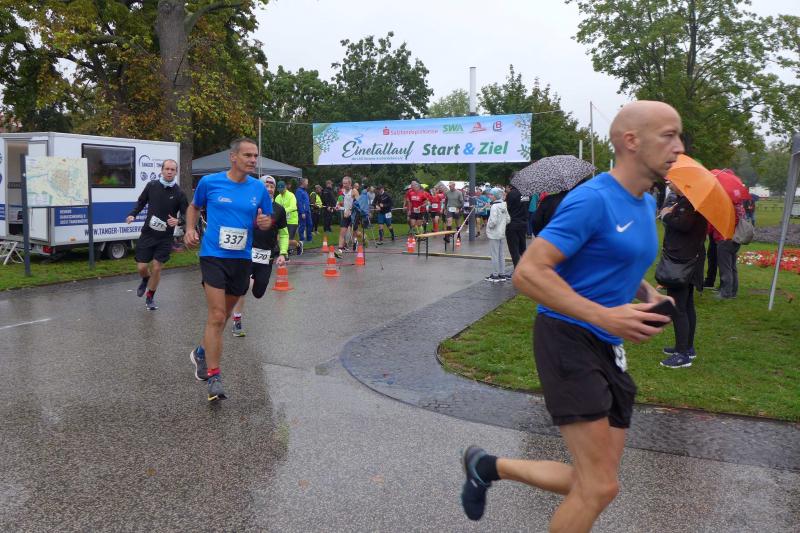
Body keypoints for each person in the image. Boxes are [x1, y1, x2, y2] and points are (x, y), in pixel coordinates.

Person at [459, 101, 680, 530]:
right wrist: (605, 316)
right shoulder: (592, 199)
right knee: (597, 487)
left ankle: (486, 467)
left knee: (599, 484)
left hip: (608, 345)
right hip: (568, 339)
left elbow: (612, 258)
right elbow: (528, 273)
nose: (679, 147)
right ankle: (486, 467)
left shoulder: (642, 203)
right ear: (631, 141)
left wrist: (649, 292)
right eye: (668, 135)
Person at [184, 137, 273, 402]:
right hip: (213, 255)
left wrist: (264, 223)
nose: (253, 160)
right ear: (233, 157)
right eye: (248, 155)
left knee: (223, 317)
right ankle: (214, 377)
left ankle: (201, 352)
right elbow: (194, 206)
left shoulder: (258, 188)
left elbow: (266, 219)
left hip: (241, 258)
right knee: (217, 314)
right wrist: (189, 229)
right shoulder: (210, 182)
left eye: (255, 156)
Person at [657, 180, 707, 368]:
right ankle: (686, 347)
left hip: (682, 261)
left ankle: (682, 354)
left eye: (673, 181)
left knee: (678, 307)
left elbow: (684, 225)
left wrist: (666, 215)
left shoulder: (689, 203)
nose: (669, 183)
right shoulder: (687, 201)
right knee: (686, 305)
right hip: (688, 258)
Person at [230, 175, 288, 337]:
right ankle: (237, 321)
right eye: (266, 185)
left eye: (272, 186)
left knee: (258, 292)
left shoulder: (279, 209)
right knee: (242, 287)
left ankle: (249, 281)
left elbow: (283, 234)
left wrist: (283, 253)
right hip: (247, 253)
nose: (269, 188)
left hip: (266, 255)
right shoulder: (250, 205)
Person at [126, 159, 188, 310]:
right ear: (162, 170)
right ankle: (145, 278)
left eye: (172, 169)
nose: (169, 172)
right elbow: (141, 202)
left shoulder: (179, 193)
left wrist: (179, 221)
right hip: (148, 233)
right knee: (142, 267)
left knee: (157, 267)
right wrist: (133, 214)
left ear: (176, 172)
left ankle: (150, 297)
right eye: (167, 169)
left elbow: (186, 214)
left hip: (165, 237)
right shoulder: (152, 186)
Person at [715, 202, 746, 299]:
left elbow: (724, 222)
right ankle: (733, 291)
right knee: (732, 267)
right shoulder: (739, 206)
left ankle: (726, 293)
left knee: (725, 268)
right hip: (735, 239)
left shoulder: (728, 207)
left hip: (725, 238)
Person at [485, 188, 510, 282]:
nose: (490, 196)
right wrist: (502, 225)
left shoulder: (494, 207)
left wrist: (489, 226)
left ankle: (495, 275)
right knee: (501, 254)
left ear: (496, 196)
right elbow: (508, 219)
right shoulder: (504, 205)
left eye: (492, 195)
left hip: (494, 233)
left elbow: (493, 221)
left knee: (494, 254)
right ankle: (502, 273)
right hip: (501, 233)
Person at [274, 180, 302, 256]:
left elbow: (293, 207)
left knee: (288, 240)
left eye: (282, 189)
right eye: (279, 189)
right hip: (282, 221)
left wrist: (283, 211)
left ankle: (298, 245)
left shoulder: (291, 195)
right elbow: (275, 208)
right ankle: (283, 251)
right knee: (279, 238)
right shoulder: (277, 197)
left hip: (292, 220)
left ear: (285, 187)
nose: (281, 191)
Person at [504, 183, 528, 268]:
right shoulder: (526, 193)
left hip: (512, 223)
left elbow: (507, 208)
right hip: (523, 223)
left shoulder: (511, 194)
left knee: (514, 248)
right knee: (523, 247)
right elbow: (526, 206)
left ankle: (517, 268)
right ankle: (526, 266)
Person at [335, 176, 355, 258]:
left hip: (354, 215)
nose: (344, 185)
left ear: (350, 183)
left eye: (346, 183)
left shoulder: (353, 192)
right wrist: (337, 206)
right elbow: (339, 203)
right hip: (346, 216)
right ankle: (340, 251)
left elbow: (358, 204)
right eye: (343, 183)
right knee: (342, 233)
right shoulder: (342, 192)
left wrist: (350, 210)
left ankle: (363, 238)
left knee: (356, 233)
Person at [295, 177, 313, 244]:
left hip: (308, 211)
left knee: (310, 224)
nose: (307, 183)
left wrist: (308, 209)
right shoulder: (299, 191)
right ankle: (302, 239)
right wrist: (302, 212)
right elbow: (299, 202)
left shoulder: (305, 191)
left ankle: (309, 239)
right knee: (302, 225)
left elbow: (306, 202)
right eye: (307, 182)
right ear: (303, 183)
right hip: (303, 212)